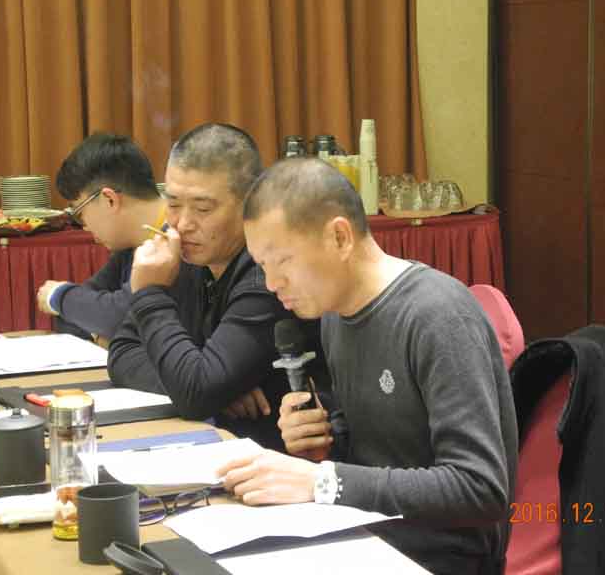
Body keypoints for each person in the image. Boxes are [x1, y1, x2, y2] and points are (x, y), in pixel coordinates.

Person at [218, 158, 518, 575]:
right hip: (362, 535)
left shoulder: (437, 316)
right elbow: (373, 454)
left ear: (339, 237)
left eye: (281, 261)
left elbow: (480, 488)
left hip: (438, 559)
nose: (271, 284)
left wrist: (324, 481)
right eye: (262, 266)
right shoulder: (334, 315)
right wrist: (322, 441)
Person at [107, 123, 321, 451]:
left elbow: (196, 394)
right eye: (173, 204)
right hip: (214, 442)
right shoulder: (187, 253)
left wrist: (150, 295)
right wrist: (205, 388)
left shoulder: (268, 274)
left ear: (250, 203)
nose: (182, 224)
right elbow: (122, 352)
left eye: (203, 208)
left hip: (277, 457)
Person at [37, 133, 166, 341]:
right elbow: (77, 313)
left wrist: (58, 296)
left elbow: (119, 316)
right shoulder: (131, 243)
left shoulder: (179, 239)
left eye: (79, 213)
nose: (84, 226)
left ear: (109, 200)